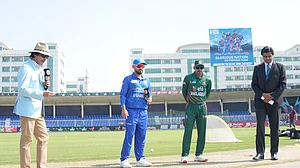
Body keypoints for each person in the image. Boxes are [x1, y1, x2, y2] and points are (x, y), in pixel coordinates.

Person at [13, 42, 55, 168]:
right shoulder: (26, 68)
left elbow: (38, 88)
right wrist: (41, 93)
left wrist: (45, 86)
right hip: (27, 110)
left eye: (46, 57)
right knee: (26, 140)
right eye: (43, 55)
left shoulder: (40, 69)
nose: (45, 59)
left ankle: (41, 166)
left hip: (38, 110)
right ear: (35, 54)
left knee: (44, 138)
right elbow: (22, 90)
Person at [251, 46, 286, 161]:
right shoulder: (257, 68)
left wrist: (272, 96)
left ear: (273, 55)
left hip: (275, 102)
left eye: (269, 56)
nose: (267, 58)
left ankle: (274, 153)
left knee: (274, 128)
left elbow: (283, 84)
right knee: (260, 127)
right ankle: (260, 153)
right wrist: (263, 95)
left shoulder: (280, 67)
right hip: (261, 102)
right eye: (265, 56)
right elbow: (254, 85)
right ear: (262, 56)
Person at [119, 58, 152, 168]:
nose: (141, 68)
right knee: (129, 135)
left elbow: (148, 95)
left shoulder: (146, 81)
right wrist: (123, 108)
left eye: (143, 66)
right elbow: (123, 94)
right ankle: (124, 159)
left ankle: (140, 158)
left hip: (143, 111)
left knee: (141, 136)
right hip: (131, 111)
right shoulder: (128, 79)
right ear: (133, 67)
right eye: (139, 66)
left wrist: (149, 99)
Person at [180, 60, 212, 163]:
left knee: (202, 131)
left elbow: (207, 93)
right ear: (194, 68)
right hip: (191, 107)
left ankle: (199, 154)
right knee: (188, 130)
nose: (199, 70)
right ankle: (184, 155)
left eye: (201, 68)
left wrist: (201, 101)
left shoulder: (207, 80)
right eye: (197, 68)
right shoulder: (188, 78)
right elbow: (184, 92)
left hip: (202, 107)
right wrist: (189, 101)